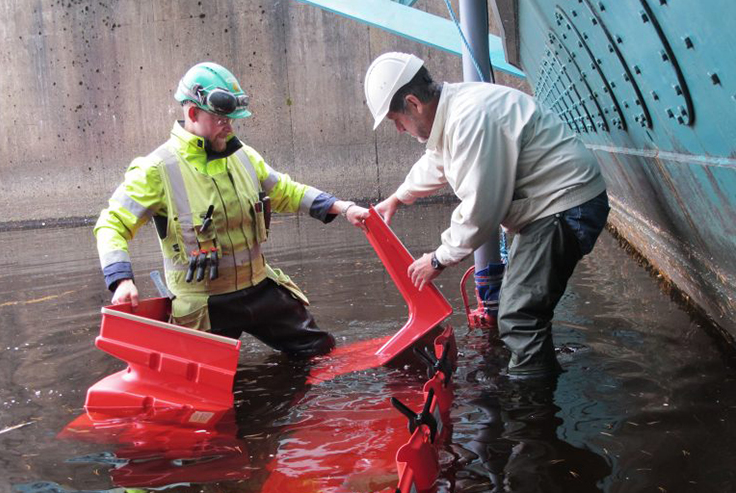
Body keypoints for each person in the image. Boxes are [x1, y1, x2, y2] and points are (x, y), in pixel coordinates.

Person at [95, 62, 368, 358]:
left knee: (319, 351)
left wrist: (342, 207)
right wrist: (121, 281)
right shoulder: (156, 169)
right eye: (221, 119)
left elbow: (285, 191)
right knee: (205, 385)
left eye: (232, 119)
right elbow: (111, 225)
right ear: (192, 113)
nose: (230, 126)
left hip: (259, 288)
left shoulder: (243, 156)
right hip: (204, 305)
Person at [364, 52, 610, 378]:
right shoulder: (454, 113)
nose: (399, 129)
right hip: (551, 205)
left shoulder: (469, 118)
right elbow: (437, 162)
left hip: (564, 205)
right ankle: (536, 374)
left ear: (413, 102)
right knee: (520, 308)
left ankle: (529, 411)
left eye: (397, 119)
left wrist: (438, 259)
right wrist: (397, 197)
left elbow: (481, 208)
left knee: (520, 315)